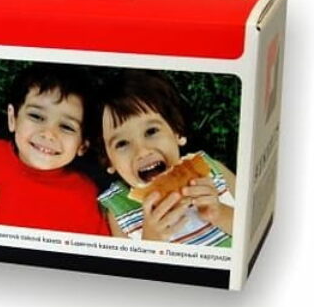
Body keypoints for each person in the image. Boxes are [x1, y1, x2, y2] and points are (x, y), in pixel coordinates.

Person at [0, 63, 109, 235]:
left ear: (82, 145)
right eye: (36, 116)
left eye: (67, 127)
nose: (49, 134)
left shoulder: (85, 196)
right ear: (13, 118)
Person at [98, 70, 235, 246]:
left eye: (151, 131)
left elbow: (251, 224)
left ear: (177, 132)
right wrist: (151, 240)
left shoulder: (211, 170)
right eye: (122, 143)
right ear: (109, 161)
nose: (142, 151)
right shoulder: (120, 210)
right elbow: (130, 263)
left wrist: (220, 213)